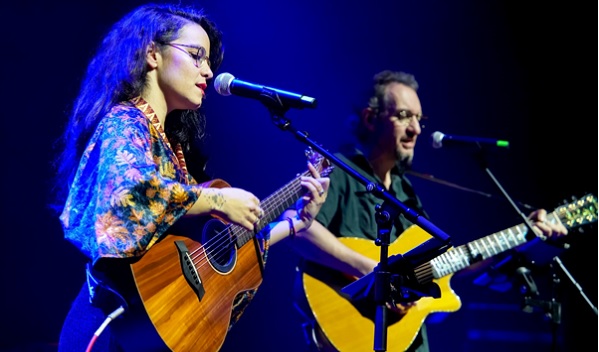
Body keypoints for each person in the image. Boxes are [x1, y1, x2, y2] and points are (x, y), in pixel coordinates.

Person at [50, 3, 330, 352]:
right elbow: (128, 194)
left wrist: (295, 224)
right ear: (152, 54)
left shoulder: (170, 146)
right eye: (197, 56)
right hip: (110, 328)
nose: (209, 72)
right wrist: (217, 199)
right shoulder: (124, 122)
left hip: (155, 327)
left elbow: (213, 256)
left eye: (209, 61)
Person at [282, 70, 569, 351]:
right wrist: (371, 270)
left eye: (419, 119)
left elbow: (447, 261)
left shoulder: (405, 192)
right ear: (371, 119)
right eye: (404, 116)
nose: (416, 129)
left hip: (407, 341)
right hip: (357, 332)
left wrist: (524, 235)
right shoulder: (343, 172)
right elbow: (297, 227)